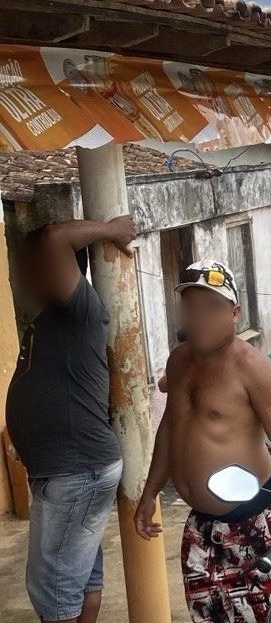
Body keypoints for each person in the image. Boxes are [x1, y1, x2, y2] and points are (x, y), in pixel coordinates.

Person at [135, 260, 271, 622]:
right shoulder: (180, 361)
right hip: (201, 526)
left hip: (256, 522)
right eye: (192, 307)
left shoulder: (254, 368)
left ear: (234, 312)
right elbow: (169, 428)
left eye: (212, 307)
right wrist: (149, 492)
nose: (200, 318)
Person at [7, 217, 133, 623]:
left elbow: (55, 236)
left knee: (54, 592)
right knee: (76, 586)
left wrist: (111, 229)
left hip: (76, 471)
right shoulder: (52, 317)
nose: (22, 273)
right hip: (71, 471)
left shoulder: (80, 306)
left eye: (33, 265)